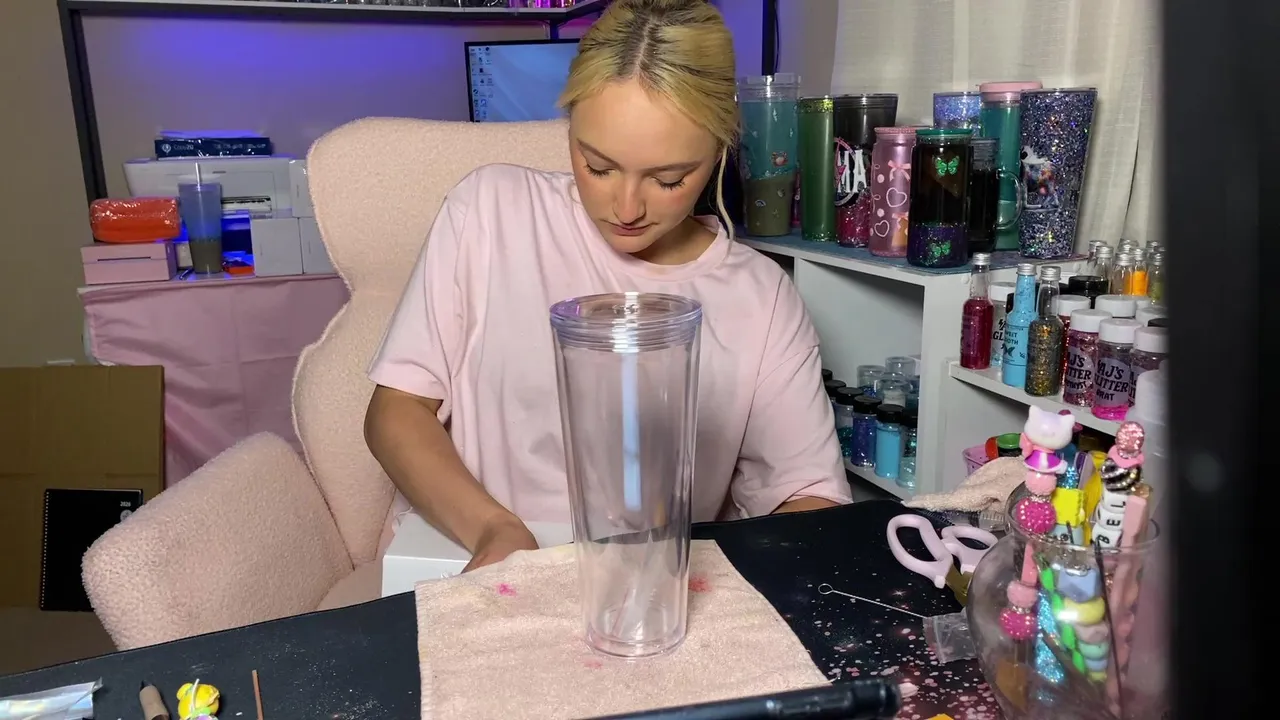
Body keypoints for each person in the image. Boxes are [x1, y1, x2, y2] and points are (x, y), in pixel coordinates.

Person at [364, 0, 851, 572]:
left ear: (720, 150)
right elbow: (396, 411)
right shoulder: (492, 211)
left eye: (669, 179)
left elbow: (810, 497)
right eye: (598, 167)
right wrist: (496, 532)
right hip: (472, 561)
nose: (626, 208)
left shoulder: (760, 297)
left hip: (652, 591)